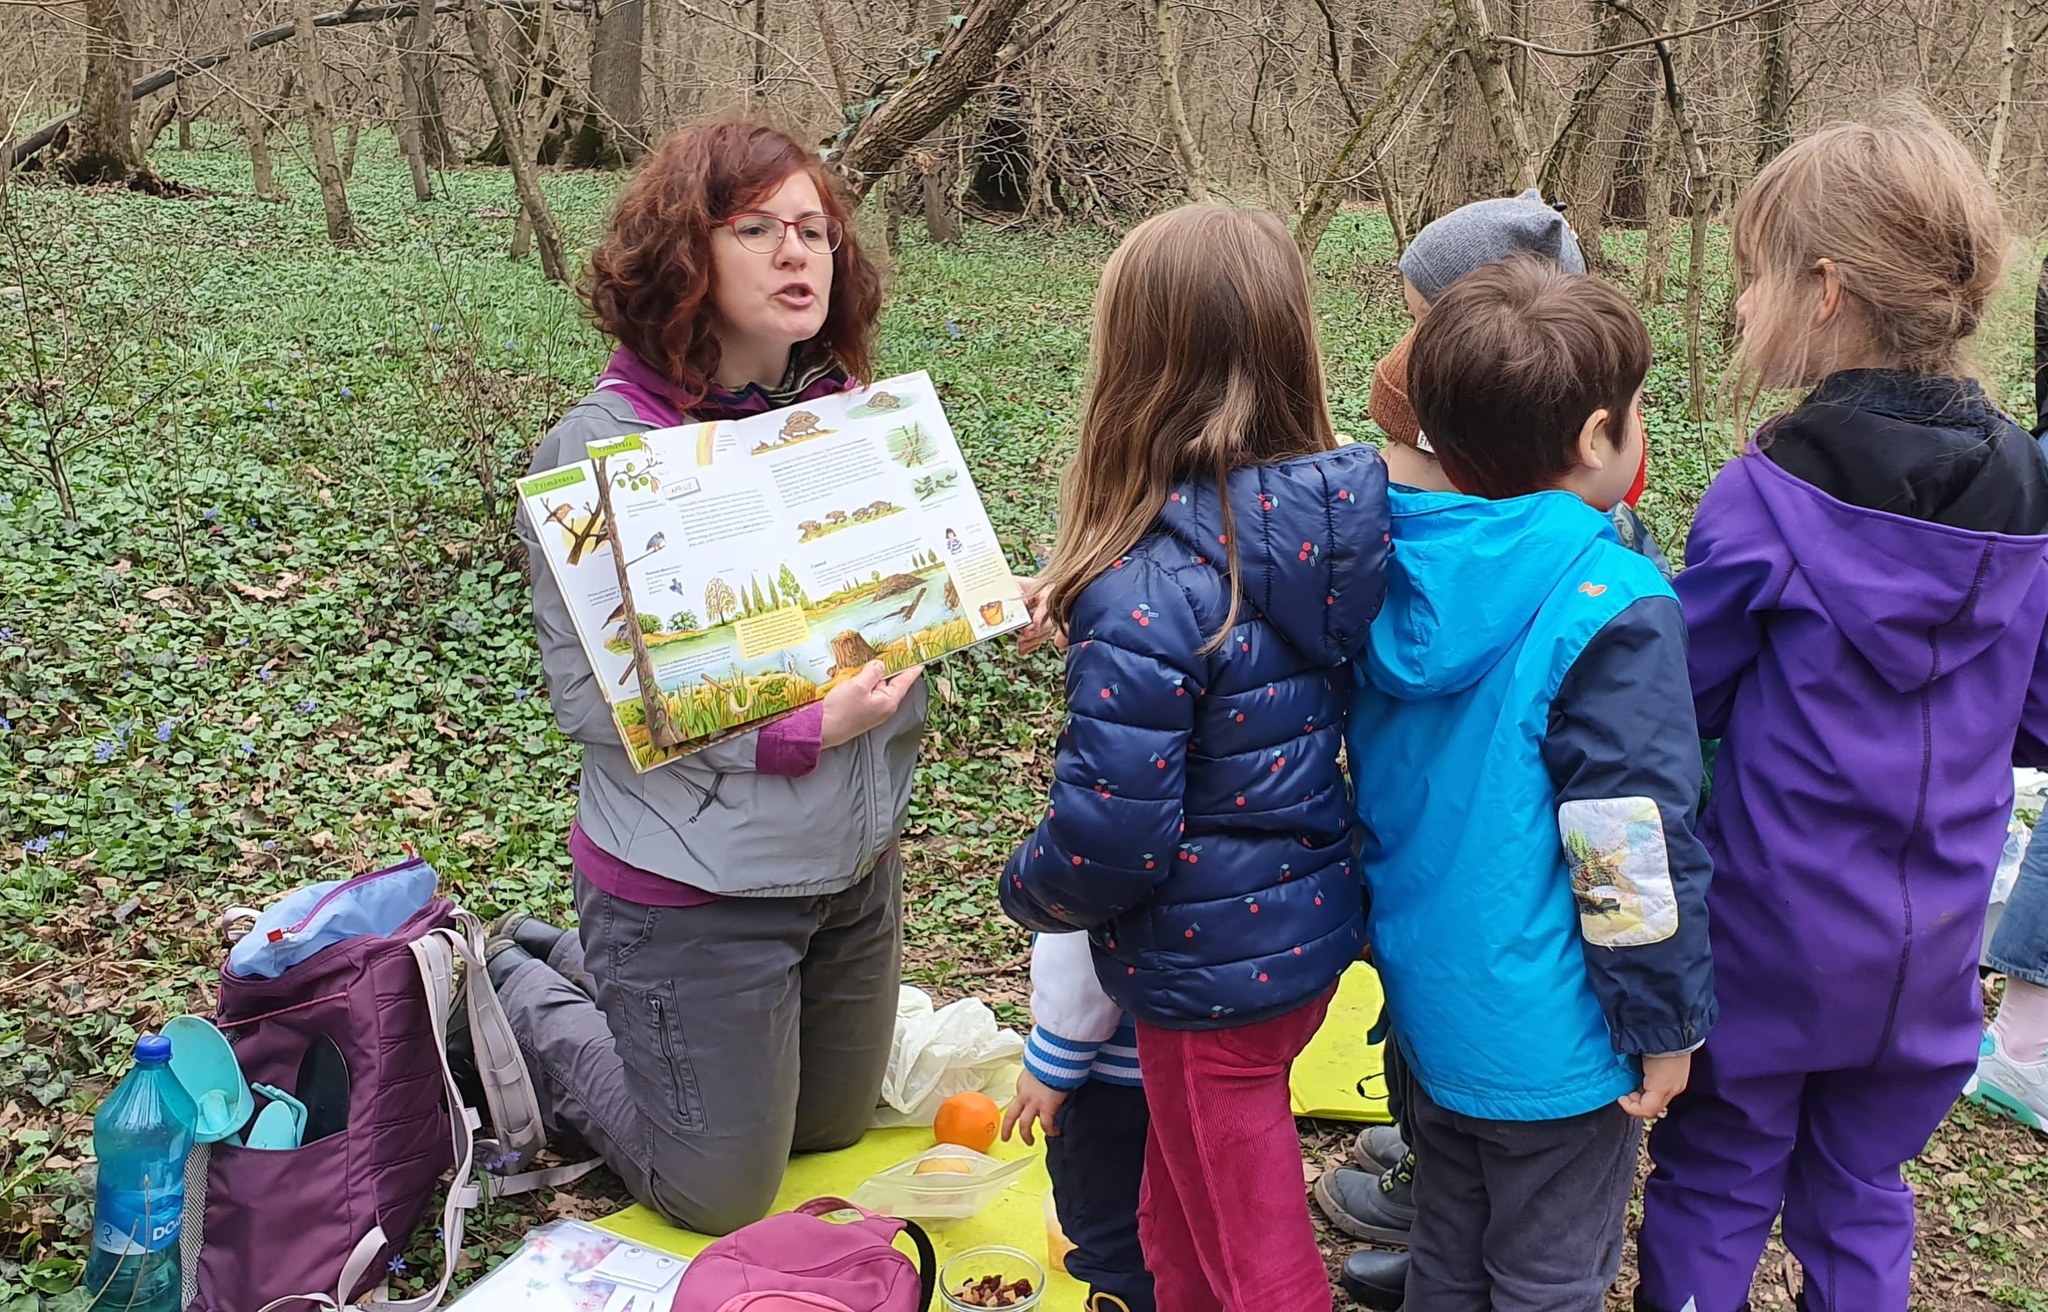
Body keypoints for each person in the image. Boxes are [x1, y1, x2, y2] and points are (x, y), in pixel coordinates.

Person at [1634, 104, 2048, 1312]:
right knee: (1861, 1185)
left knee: (1717, 1173)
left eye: (1754, 274)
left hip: (1771, 933)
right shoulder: (2027, 491)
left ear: (1823, 291)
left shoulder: (1765, 493)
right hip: (1931, 946)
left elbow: (1677, 692)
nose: (1738, 303)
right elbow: (2035, 715)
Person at [493, 119, 927, 1236]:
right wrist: (798, 732)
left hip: (847, 868)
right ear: (685, 253)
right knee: (719, 1193)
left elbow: (871, 618)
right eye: (756, 230)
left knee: (829, 1132)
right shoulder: (599, 451)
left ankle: (607, 984)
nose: (797, 254)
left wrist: (975, 594)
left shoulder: (839, 420)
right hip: (693, 888)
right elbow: (592, 700)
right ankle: (517, 988)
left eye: (814, 232)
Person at [999, 203, 1391, 1312]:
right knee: (1176, 1210)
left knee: (1252, 1251)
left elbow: (1110, 836)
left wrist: (1029, 890)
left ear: (1132, 368)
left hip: (1203, 973)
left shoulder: (1146, 583)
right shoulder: (1330, 531)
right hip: (1295, 933)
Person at [1350, 256, 1715, 1312]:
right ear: (1600, 435)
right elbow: (1624, 840)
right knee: (1548, 1279)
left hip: (1430, 1008)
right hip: (1557, 1040)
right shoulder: (1609, 599)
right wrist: (1665, 1021)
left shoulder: (1385, 566)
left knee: (1449, 1257)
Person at [1002, 932, 1154, 1312]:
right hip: (1219, 1060)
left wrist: (1054, 1060)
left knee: (1113, 1235)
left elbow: (1080, 932)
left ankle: (1124, 1299)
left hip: (1114, 1081)